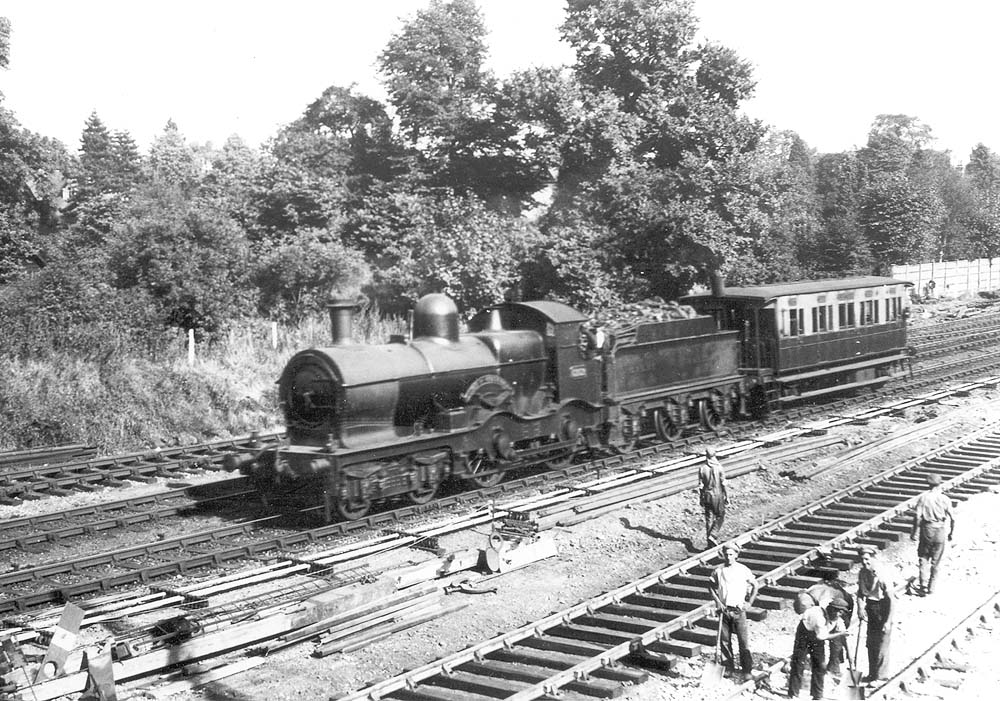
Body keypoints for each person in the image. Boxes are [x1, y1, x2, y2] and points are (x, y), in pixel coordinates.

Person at [709, 543, 758, 681]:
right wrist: (717, 602)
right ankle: (728, 668)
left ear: (736, 555)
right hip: (724, 611)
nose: (729, 557)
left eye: (731, 554)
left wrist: (749, 603)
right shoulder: (718, 571)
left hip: (739, 611)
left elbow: (755, 585)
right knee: (724, 641)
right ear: (723, 555)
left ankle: (747, 670)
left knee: (743, 642)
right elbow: (711, 586)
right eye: (726, 554)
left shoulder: (743, 570)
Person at [787, 600, 850, 700]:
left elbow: (842, 633)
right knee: (798, 663)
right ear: (831, 610)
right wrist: (840, 634)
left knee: (820, 665)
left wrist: (844, 638)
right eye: (837, 611)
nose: (838, 614)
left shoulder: (837, 618)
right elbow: (822, 636)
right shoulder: (818, 617)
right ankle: (793, 693)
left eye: (841, 612)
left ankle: (817, 695)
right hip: (805, 633)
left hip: (817, 636)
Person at [910, 473, 955, 595]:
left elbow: (917, 517)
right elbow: (953, 518)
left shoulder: (923, 498)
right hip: (940, 531)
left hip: (927, 530)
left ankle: (923, 585)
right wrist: (951, 532)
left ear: (928, 484)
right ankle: (931, 587)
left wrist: (914, 532)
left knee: (923, 558)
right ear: (940, 484)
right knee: (936, 561)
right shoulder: (945, 499)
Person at [804, 570, 854, 679]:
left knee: (836, 639)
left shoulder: (815, 589)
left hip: (825, 620)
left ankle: (833, 666)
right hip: (819, 621)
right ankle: (822, 667)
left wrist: (849, 654)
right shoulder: (840, 594)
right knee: (820, 642)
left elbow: (843, 632)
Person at [856, 546, 893, 683]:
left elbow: (891, 600)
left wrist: (888, 621)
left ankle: (881, 677)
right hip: (871, 608)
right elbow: (860, 592)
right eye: (862, 560)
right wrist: (860, 607)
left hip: (883, 607)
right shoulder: (862, 573)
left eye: (867, 559)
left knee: (882, 643)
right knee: (871, 643)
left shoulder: (882, 575)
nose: (864, 562)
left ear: (873, 558)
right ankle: (872, 674)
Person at [699, 446, 728, 547]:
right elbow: (723, 483)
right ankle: (713, 535)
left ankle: (709, 543)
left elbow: (700, 485)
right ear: (714, 455)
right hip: (717, 495)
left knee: (709, 518)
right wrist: (727, 496)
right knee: (720, 515)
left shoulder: (702, 468)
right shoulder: (719, 467)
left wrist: (701, 498)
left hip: (706, 495)